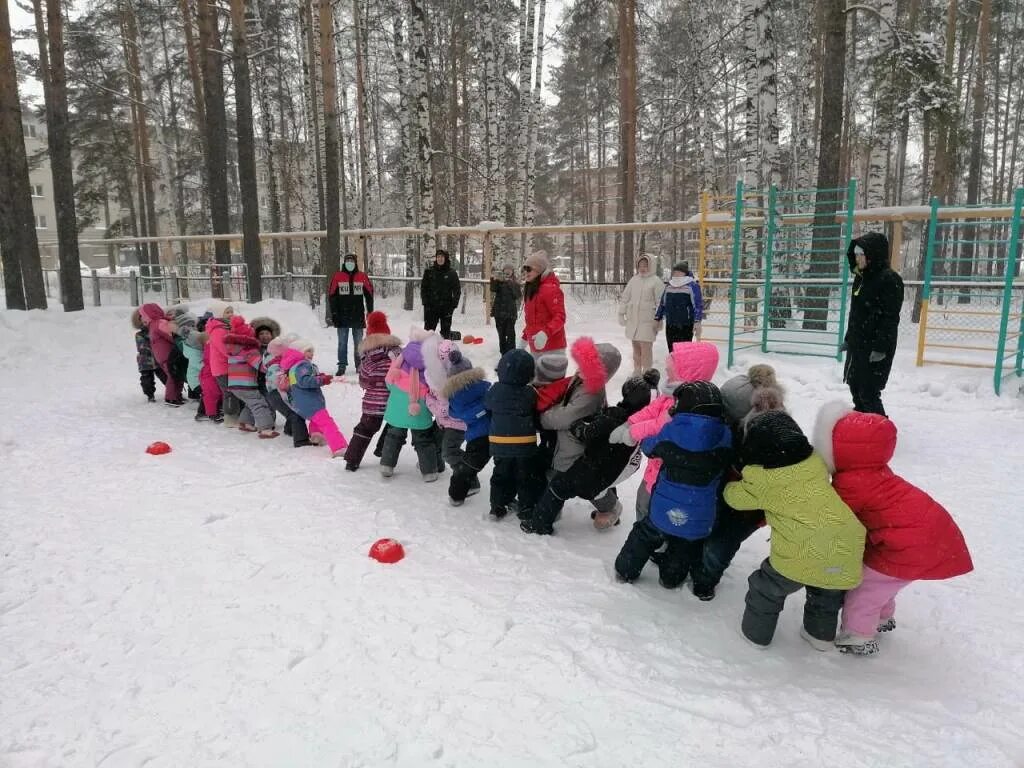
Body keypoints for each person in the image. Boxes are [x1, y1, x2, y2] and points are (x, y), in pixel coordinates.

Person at [814, 403, 973, 655]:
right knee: (886, 581)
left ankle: (858, 635)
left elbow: (836, 518)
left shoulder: (850, 484)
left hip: (908, 546)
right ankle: (882, 617)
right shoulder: (877, 472)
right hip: (930, 536)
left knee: (867, 588)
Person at [723, 411, 866, 650]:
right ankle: (819, 637)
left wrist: (728, 484)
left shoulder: (763, 480)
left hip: (803, 551)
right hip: (847, 545)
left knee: (766, 589)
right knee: (826, 594)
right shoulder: (815, 464)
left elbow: (735, 499)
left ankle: (756, 636)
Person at [614, 382, 733, 587]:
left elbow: (649, 447)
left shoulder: (672, 431)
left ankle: (626, 570)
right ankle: (671, 578)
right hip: (701, 513)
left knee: (645, 534)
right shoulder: (725, 435)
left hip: (664, 505)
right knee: (684, 544)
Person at [521, 370, 659, 536]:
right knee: (600, 487)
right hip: (613, 469)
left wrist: (577, 425)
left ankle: (539, 524)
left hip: (592, 468)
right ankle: (610, 509)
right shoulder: (641, 423)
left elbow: (586, 433)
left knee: (558, 488)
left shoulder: (614, 418)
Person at [690, 364, 786, 601]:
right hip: (728, 490)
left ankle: (706, 579)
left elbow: (771, 485)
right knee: (711, 529)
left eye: (726, 413)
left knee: (721, 544)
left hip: (750, 508)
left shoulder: (769, 441)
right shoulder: (734, 427)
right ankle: (698, 561)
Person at [538, 337, 623, 527]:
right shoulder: (580, 381)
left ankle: (610, 507)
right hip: (567, 443)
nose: (579, 368)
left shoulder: (592, 393)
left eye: (586, 366)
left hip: (577, 446)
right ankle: (552, 509)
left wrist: (543, 418)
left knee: (587, 485)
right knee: (557, 477)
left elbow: (566, 416)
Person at [842, 232, 904, 416]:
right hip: (858, 344)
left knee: (868, 392)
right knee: (855, 387)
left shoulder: (890, 279)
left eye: (861, 254)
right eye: (856, 254)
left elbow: (890, 319)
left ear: (873, 254)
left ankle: (880, 431)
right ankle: (863, 429)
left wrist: (880, 348)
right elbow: (857, 315)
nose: (857, 258)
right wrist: (849, 338)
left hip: (875, 346)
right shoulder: (861, 278)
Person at [380, 329, 444, 480]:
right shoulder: (432, 362)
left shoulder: (402, 357)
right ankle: (429, 472)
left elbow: (389, 382)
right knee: (423, 439)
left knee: (394, 435)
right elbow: (436, 387)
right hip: (419, 405)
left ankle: (386, 465)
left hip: (398, 404)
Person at [486, 349, 542, 520]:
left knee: (501, 474)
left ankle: (497, 506)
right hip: (524, 444)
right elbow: (536, 412)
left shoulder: (495, 390)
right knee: (525, 475)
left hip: (499, 442)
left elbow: (487, 406)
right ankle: (526, 508)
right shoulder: (530, 393)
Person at [343, 311, 401, 470]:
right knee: (395, 425)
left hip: (372, 402)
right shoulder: (396, 352)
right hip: (394, 399)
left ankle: (352, 460)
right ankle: (383, 449)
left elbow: (364, 380)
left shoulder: (366, 356)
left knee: (365, 428)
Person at [279, 341, 348, 457]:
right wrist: (321, 380)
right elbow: (304, 381)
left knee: (316, 419)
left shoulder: (294, 367)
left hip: (302, 402)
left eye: (312, 351)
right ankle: (339, 447)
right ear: (299, 352)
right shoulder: (302, 365)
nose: (311, 354)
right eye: (308, 350)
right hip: (310, 401)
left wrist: (319, 376)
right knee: (327, 423)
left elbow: (301, 379)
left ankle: (316, 435)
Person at [443, 353, 492, 506]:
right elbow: (494, 399)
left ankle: (456, 495)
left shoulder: (455, 396)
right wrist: (484, 408)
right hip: (499, 431)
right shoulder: (485, 385)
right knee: (507, 466)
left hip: (478, 437)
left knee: (469, 467)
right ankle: (506, 498)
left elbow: (455, 414)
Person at [328, 253, 374, 376]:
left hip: (357, 315)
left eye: (351, 261)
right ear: (344, 262)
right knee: (342, 342)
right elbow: (332, 297)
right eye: (347, 260)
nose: (350, 263)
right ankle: (342, 365)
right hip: (341, 316)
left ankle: (359, 365)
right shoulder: (337, 276)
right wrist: (334, 314)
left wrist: (370, 311)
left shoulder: (362, 276)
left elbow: (369, 295)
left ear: (355, 262)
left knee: (358, 342)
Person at [618, 254, 663, 375]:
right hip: (634, 320)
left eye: (645, 265)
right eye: (640, 265)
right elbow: (625, 297)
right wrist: (621, 313)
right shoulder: (634, 280)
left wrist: (658, 319)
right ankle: (637, 370)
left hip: (648, 321)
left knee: (646, 348)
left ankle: (647, 372)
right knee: (636, 347)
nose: (642, 268)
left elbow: (661, 302)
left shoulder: (656, 281)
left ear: (651, 266)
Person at [138, 303, 185, 406]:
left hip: (161, 356)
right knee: (173, 376)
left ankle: (176, 396)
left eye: (143, 316)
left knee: (174, 375)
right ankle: (171, 398)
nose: (142, 318)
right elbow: (171, 336)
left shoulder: (153, 324)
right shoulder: (160, 323)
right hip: (168, 355)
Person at [520, 250, 567, 355]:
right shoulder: (532, 289)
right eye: (524, 269)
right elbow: (532, 322)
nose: (526, 272)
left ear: (539, 270)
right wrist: (524, 339)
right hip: (536, 347)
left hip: (553, 349)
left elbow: (560, 316)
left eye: (529, 269)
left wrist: (545, 333)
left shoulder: (550, 289)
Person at [655, 262, 704, 349]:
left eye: (679, 271)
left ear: (685, 273)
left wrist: (697, 321)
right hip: (670, 323)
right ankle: (673, 362)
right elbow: (663, 303)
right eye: (675, 271)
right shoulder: (669, 285)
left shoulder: (692, 285)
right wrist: (657, 318)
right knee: (672, 350)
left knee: (684, 351)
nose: (677, 274)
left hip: (686, 324)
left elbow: (697, 305)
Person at [420, 248, 461, 339]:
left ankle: (445, 350)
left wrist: (453, 305)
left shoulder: (452, 273)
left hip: (446, 307)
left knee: (445, 333)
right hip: (431, 307)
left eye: (442, 257)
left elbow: (457, 290)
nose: (440, 259)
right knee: (428, 333)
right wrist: (425, 303)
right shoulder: (429, 272)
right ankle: (426, 350)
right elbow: (423, 288)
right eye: (438, 257)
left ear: (446, 258)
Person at [131, 308, 165, 403]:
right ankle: (150, 395)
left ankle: (172, 392)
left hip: (157, 360)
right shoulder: (140, 335)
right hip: (145, 362)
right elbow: (143, 347)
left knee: (165, 377)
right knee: (147, 380)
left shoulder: (156, 330)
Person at [490, 264, 522, 355]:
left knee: (511, 334)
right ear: (503, 271)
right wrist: (493, 278)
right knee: (501, 335)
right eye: (506, 269)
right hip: (499, 313)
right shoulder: (499, 281)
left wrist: (509, 282)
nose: (508, 271)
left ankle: (511, 353)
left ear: (512, 271)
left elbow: (517, 295)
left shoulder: (515, 282)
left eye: (510, 269)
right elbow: (493, 288)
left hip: (510, 314)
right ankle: (503, 354)